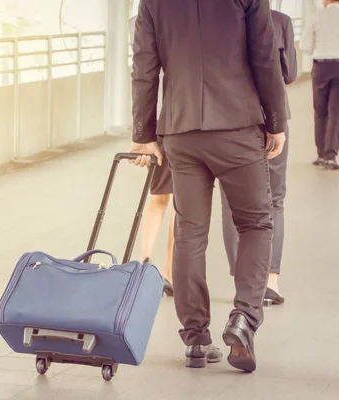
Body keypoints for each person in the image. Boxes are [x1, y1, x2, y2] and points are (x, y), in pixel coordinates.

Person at [129, 0, 287, 373]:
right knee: (255, 223)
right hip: (237, 125)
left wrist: (144, 134)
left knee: (189, 234)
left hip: (181, 131)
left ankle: (196, 339)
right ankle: (244, 319)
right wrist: (276, 121)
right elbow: (265, 57)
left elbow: (144, 68)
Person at [221, 8, 298, 307]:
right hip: (273, 117)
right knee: (274, 199)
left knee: (231, 201)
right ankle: (271, 280)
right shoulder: (280, 21)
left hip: (234, 118)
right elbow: (289, 74)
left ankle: (243, 282)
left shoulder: (222, 19)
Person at [129, 14, 174, 297]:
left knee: (159, 196)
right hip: (180, 120)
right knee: (182, 202)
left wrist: (142, 134)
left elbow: (142, 76)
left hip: (160, 120)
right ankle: (168, 271)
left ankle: (145, 260)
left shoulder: (143, 17)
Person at [300, 0, 339, 170]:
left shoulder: (316, 16)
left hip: (321, 66)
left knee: (320, 110)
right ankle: (331, 156)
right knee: (335, 112)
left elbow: (305, 46)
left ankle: (321, 153)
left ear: (325, 1)